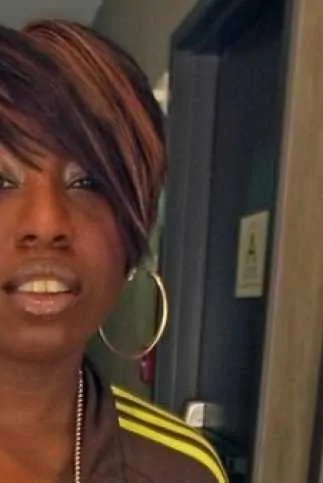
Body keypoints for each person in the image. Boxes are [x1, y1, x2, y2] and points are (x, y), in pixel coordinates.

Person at [0, 19, 228, 483]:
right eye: (1, 181)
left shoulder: (182, 470)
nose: (46, 223)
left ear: (132, 230)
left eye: (88, 182)